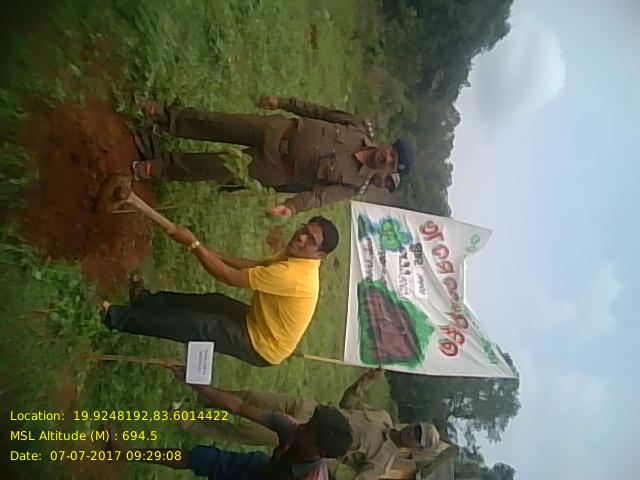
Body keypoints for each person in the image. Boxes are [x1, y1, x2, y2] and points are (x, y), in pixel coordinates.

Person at [100, 216, 339, 366]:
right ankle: (144, 301)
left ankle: (114, 316)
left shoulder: (294, 276)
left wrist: (194, 245)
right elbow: (258, 266)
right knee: (212, 302)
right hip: (258, 321)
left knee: (200, 326)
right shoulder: (294, 256)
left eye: (311, 240)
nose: (301, 237)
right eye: (304, 229)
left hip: (263, 346)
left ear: (320, 255)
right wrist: (213, 254)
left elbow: (229, 277)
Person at [131, 96, 415, 216]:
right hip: (277, 130)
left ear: (388, 172)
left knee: (214, 167)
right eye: (391, 154)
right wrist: (283, 102)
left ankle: (157, 167)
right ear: (388, 145)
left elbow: (318, 197)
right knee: (219, 123)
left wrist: (291, 207)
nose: (386, 159)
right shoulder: (357, 127)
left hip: (275, 168)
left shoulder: (353, 185)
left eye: (391, 164)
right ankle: (165, 116)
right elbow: (319, 112)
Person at [103, 363, 353, 480]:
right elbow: (239, 406)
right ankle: (124, 453)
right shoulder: (292, 428)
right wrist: (196, 383)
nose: (301, 426)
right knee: (198, 457)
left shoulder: (307, 477)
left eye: (308, 431)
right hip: (261, 469)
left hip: (272, 475)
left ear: (319, 451)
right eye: (307, 423)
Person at [181, 368, 440, 479]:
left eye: (417, 438)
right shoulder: (383, 416)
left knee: (244, 430)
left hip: (306, 440)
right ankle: (207, 397)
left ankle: (190, 421)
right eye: (417, 429)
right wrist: (365, 381)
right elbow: (348, 404)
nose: (412, 433)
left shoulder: (382, 462)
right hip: (308, 410)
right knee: (251, 399)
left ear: (416, 449)